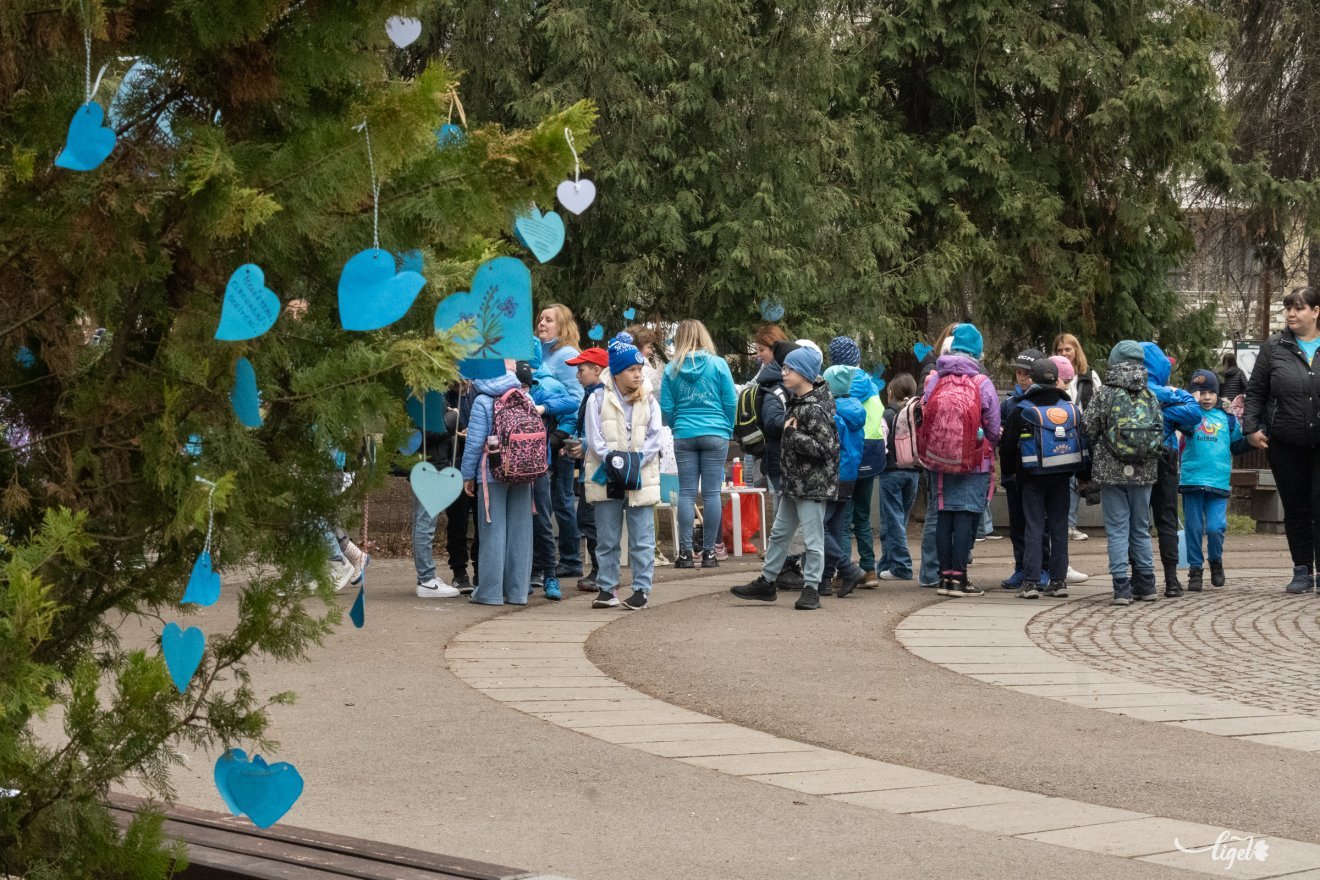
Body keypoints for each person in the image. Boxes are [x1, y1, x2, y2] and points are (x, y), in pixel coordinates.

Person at [730, 345, 839, 610]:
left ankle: (812, 588)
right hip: (794, 483)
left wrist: (792, 435)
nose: (784, 372)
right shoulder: (798, 402)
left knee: (813, 540)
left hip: (812, 486)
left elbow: (827, 449)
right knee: (780, 534)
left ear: (804, 373)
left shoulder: (815, 408)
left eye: (789, 368)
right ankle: (767, 582)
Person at [1244, 286, 1320, 594]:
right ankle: (1302, 570)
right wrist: (1250, 427)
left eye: (1299, 308)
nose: (1291, 313)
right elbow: (1256, 391)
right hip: (1286, 442)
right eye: (1288, 307)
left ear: (1316, 312)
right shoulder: (1274, 347)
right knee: (1297, 507)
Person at [584, 337, 663, 610]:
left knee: (642, 537)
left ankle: (642, 588)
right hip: (607, 475)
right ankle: (607, 588)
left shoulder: (650, 400)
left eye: (640, 369)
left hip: (641, 476)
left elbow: (656, 436)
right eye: (631, 370)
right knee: (607, 537)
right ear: (616, 372)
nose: (638, 374)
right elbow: (594, 438)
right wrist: (614, 461)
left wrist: (636, 461)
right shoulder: (597, 398)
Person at [922, 324, 1001, 597]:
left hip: (940, 459)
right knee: (966, 516)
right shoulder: (982, 382)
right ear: (978, 353)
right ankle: (960, 578)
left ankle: (944, 578)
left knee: (944, 516)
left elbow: (925, 410)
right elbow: (993, 427)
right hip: (974, 461)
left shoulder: (936, 379)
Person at [1083, 341, 1163, 605]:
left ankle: (1121, 587)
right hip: (1144, 471)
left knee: (1118, 529)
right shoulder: (1149, 394)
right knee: (1140, 527)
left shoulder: (1104, 393)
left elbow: (1089, 428)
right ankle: (1147, 584)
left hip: (1110, 470)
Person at [1000, 357, 1081, 599]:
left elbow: (1007, 447)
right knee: (1058, 528)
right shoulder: (1069, 408)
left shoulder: (1021, 409)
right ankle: (1058, 581)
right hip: (1062, 475)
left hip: (1030, 476)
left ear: (1032, 379)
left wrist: (1008, 474)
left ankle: (1031, 581)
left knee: (1033, 527)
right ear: (1056, 379)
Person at [660, 319, 737, 569]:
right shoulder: (718, 364)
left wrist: (677, 426)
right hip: (716, 432)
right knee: (712, 493)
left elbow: (667, 407)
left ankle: (684, 554)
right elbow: (730, 401)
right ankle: (709, 554)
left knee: (686, 493)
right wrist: (727, 427)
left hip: (684, 433)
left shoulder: (672, 369)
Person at [461, 365, 537, 606]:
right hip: (524, 472)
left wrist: (467, 475)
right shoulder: (524, 397)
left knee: (492, 532)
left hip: (492, 474)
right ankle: (518, 592)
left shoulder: (483, 401)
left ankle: (491, 592)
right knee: (520, 533)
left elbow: (474, 444)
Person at [1141, 342, 1205, 598]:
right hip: (1165, 460)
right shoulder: (1167, 394)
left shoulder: (1128, 394)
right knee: (1166, 519)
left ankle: (1139, 579)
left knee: (1137, 522)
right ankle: (1170, 580)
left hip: (1134, 462)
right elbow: (1194, 414)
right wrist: (1176, 395)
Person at [1181, 369, 1247, 591]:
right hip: (1192, 479)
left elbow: (1237, 444)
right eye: (1200, 392)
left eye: (1210, 392)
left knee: (1216, 527)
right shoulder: (1189, 416)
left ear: (1217, 393)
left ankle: (1216, 561)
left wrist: (1253, 438)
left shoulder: (1227, 418)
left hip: (1218, 481)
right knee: (1193, 527)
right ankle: (1195, 569)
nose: (1206, 397)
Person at [535, 304, 586, 578]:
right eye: (541, 319)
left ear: (563, 326)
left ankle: (571, 559)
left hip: (561, 437)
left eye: (549, 320)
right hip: (540, 438)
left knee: (562, 500)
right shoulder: (537, 352)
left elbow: (577, 400)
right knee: (551, 501)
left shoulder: (566, 354)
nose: (542, 323)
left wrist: (562, 435)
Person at [830, 336, 884, 587]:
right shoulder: (871, 385)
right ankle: (869, 569)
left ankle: (845, 570)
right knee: (862, 516)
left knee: (842, 519)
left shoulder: (834, 386)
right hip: (872, 453)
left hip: (847, 457)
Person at [524, 355, 577, 601]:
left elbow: (571, 403)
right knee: (518, 524)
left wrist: (543, 408)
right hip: (510, 470)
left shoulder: (540, 391)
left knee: (543, 522)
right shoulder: (498, 395)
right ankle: (522, 574)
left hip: (539, 467)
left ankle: (549, 575)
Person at [999, 348, 1048, 591]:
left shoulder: (1049, 400)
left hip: (1039, 473)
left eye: (1026, 373)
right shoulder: (1009, 403)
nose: (1021, 377)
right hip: (1014, 473)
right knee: (1017, 524)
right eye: (1018, 372)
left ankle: (1043, 568)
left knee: (1039, 524)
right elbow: (999, 432)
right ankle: (1021, 567)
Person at [917, 324, 959, 588]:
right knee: (940, 509)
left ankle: (940, 570)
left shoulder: (930, 368)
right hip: (949, 449)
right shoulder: (933, 367)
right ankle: (939, 570)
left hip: (937, 446)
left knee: (940, 509)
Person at [564, 347, 609, 590]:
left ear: (597, 370)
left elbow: (603, 433)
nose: (577, 375)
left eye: (581, 370)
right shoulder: (590, 394)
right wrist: (575, 441)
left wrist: (583, 444)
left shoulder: (600, 396)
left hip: (598, 470)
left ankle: (601, 571)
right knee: (588, 518)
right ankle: (599, 570)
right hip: (589, 467)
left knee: (591, 520)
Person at [823, 365, 868, 597]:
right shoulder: (857, 410)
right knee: (836, 527)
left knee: (817, 527)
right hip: (850, 475)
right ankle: (825, 581)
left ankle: (846, 568)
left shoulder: (832, 413)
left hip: (832, 474)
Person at [410, 397, 461, 599]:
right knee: (425, 522)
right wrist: (451, 418)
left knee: (422, 521)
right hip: (428, 464)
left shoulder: (426, 393)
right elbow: (422, 434)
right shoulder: (421, 395)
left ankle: (425, 576)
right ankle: (426, 580)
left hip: (429, 462)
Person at [1054, 333, 1102, 543]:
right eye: (1060, 350)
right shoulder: (1051, 373)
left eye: (1068, 349)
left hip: (1083, 433)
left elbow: (1099, 402)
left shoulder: (1089, 375)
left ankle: (1069, 524)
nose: (1064, 354)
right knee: (1066, 479)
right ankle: (1066, 525)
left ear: (1076, 351)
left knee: (1078, 480)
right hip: (1059, 431)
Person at [878, 374, 921, 581]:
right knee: (897, 519)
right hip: (913, 471)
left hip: (891, 470)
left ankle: (902, 566)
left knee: (893, 519)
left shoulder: (888, 414)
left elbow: (882, 443)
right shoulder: (916, 411)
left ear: (891, 392)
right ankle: (887, 562)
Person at [445, 382, 479, 592]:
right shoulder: (443, 396)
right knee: (456, 520)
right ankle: (459, 571)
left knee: (480, 520)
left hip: (476, 464)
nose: (461, 384)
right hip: (454, 462)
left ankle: (480, 569)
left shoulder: (478, 392)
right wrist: (455, 434)